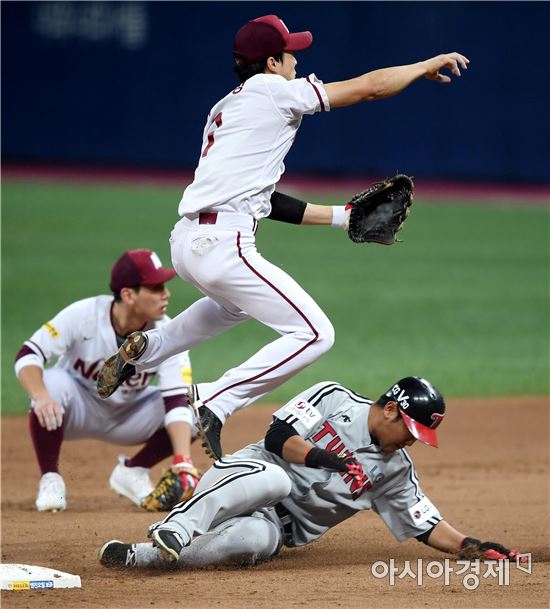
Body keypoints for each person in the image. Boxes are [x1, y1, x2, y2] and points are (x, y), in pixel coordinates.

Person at [96, 14, 470, 461]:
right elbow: (369, 86)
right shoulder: (274, 91)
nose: (296, 59)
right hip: (224, 244)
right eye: (290, 52)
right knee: (315, 333)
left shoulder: (222, 109)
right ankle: (216, 399)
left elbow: (263, 198)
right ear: (272, 62)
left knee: (232, 308)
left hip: (187, 240)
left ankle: (147, 348)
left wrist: (341, 216)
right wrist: (421, 66)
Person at [99, 376, 523, 569]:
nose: (413, 442)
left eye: (420, 437)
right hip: (247, 475)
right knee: (278, 479)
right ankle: (179, 523)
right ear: (391, 409)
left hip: (274, 526)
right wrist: (333, 461)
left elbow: (425, 525)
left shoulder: (395, 471)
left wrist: (473, 546)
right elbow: (277, 437)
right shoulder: (333, 397)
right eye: (411, 430)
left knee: (254, 543)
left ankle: (143, 556)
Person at [15, 249, 199, 512]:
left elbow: (176, 399)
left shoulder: (168, 334)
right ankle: (50, 478)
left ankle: (133, 472)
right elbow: (28, 354)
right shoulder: (84, 315)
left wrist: (182, 460)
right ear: (128, 294)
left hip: (130, 415)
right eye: (156, 287)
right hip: (75, 408)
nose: (166, 294)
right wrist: (40, 395)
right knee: (51, 383)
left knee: (198, 405)